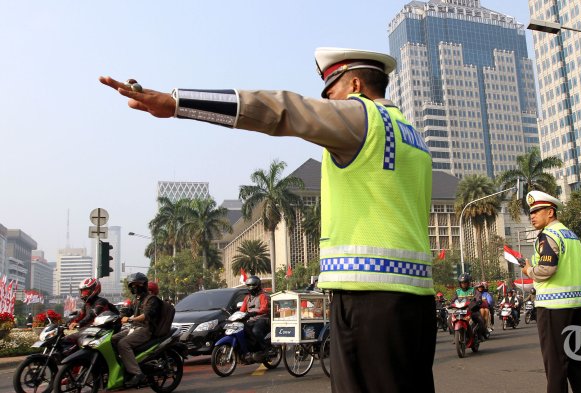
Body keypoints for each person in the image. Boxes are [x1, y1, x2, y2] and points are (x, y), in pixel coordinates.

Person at [100, 47, 435, 393]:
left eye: (330, 92)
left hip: (369, 300)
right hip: (416, 300)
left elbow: (281, 109)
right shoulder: (412, 136)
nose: (328, 102)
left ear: (354, 84)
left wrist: (178, 103)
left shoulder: (362, 117)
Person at [521, 190, 581, 393]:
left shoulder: (548, 236)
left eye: (538, 211)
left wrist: (529, 270)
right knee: (580, 361)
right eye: (531, 212)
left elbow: (547, 269)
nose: (533, 216)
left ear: (551, 212)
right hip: (578, 306)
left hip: (553, 308)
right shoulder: (572, 236)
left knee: (556, 365)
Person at [113, 272, 161, 388]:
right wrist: (117, 316)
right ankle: (121, 367)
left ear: (143, 285)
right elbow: (127, 311)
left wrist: (130, 319)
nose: (134, 287)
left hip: (145, 329)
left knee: (123, 344)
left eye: (137, 285)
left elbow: (146, 315)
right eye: (132, 285)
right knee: (112, 340)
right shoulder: (136, 300)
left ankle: (137, 373)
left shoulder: (151, 299)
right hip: (134, 328)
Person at [65, 278, 118, 344]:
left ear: (93, 290)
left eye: (84, 291)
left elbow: (92, 314)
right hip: (91, 329)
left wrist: (79, 323)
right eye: (81, 292)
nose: (82, 294)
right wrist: (66, 323)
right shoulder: (86, 304)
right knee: (64, 335)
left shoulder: (101, 301)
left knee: (69, 338)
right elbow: (79, 315)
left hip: (102, 329)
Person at [240, 275, 271, 360]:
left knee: (255, 331)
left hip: (262, 318)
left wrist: (255, 312)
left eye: (253, 285)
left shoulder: (262, 296)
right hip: (251, 320)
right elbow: (242, 310)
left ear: (257, 285)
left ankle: (265, 348)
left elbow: (264, 308)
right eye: (249, 285)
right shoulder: (247, 298)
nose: (251, 287)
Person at [454, 273, 488, 339]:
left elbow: (478, 296)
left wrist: (478, 301)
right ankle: (455, 336)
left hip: (472, 310)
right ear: (460, 283)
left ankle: (481, 334)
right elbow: (453, 300)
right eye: (462, 283)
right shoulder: (457, 291)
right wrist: (450, 304)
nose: (463, 284)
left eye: (465, 282)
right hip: (460, 310)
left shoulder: (473, 290)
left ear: (468, 283)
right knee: (450, 319)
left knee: (480, 319)